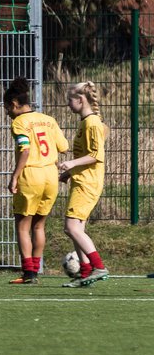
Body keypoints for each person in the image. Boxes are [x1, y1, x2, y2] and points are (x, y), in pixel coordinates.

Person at [3, 76, 69, 284]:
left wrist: (14, 176)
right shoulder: (48, 120)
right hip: (50, 176)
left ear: (14, 104)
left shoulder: (19, 122)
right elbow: (64, 146)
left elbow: (25, 149)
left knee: (23, 226)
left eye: (7, 108)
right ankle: (36, 269)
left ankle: (29, 274)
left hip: (31, 175)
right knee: (39, 226)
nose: (7, 113)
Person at [58, 81, 109, 287]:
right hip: (81, 180)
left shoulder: (92, 123)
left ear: (80, 100)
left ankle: (98, 267)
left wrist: (71, 163)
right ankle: (86, 271)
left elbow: (96, 155)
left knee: (71, 227)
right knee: (75, 228)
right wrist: (69, 173)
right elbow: (86, 153)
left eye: (70, 100)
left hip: (87, 184)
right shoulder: (86, 121)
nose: (68, 104)